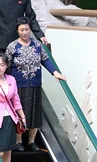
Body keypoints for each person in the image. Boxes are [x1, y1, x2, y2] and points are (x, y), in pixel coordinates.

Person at [6, 17, 66, 151]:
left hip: (35, 84)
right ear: (17, 31)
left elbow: (45, 60)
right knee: (19, 112)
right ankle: (18, 141)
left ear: (30, 30)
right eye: (21, 30)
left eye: (26, 29)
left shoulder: (37, 45)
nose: (24, 32)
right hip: (18, 85)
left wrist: (54, 72)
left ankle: (32, 141)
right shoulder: (12, 46)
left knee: (34, 112)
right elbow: (7, 65)